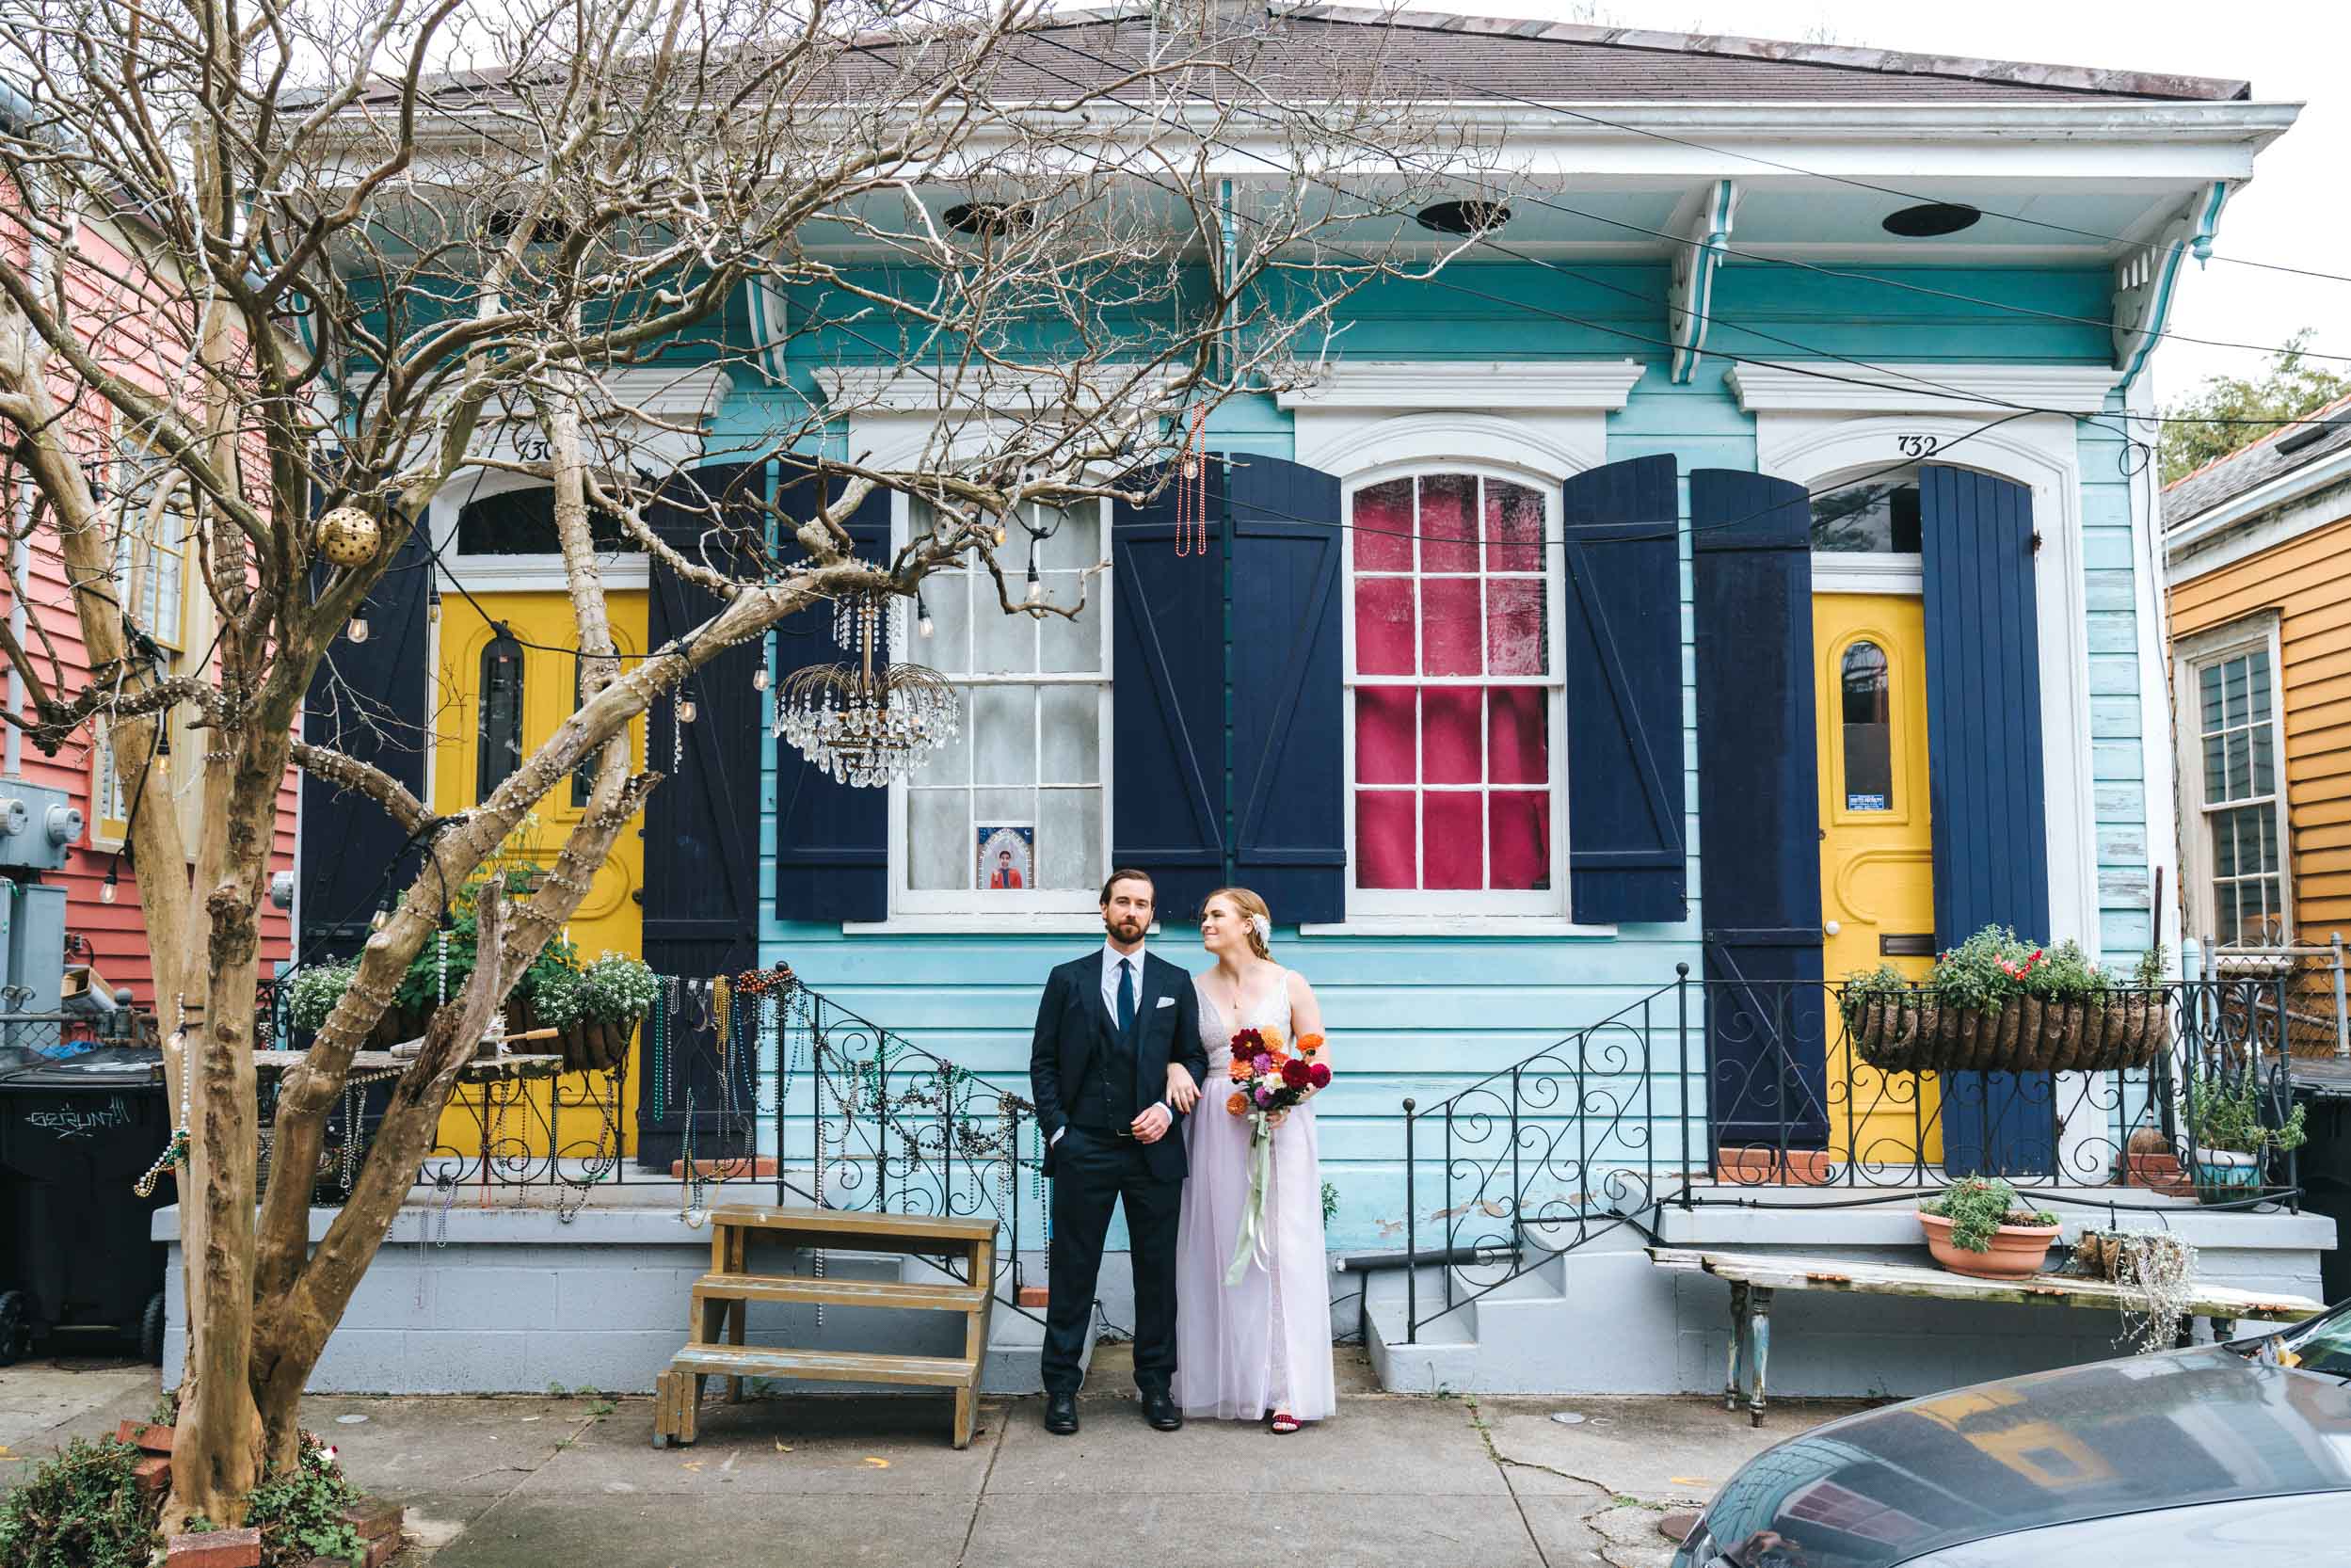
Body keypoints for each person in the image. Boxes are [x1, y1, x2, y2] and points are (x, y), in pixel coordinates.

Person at [1028, 868, 1209, 1436]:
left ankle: (1156, 1385)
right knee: (1074, 1269)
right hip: (1085, 1149)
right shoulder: (1067, 979)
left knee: (1156, 1274)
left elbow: (1193, 1059)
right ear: (1103, 909)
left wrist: (1169, 1106)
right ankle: (1060, 1387)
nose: (1132, 912)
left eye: (1143, 904)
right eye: (1123, 902)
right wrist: (1060, 1132)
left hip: (1153, 1153)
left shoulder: (1176, 982)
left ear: (1153, 916)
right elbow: (1045, 1063)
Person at [1169, 887, 1336, 1432]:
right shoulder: (1191, 989)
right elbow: (1180, 1052)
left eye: (1217, 914)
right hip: (1216, 1121)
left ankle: (1287, 1388)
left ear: (1249, 924)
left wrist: (1286, 1098)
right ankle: (1229, 1381)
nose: (1205, 922)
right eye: (1205, 914)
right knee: (1220, 1245)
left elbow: (1317, 1059)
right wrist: (1174, 1069)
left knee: (1280, 1249)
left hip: (1278, 1126)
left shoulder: (1291, 984)